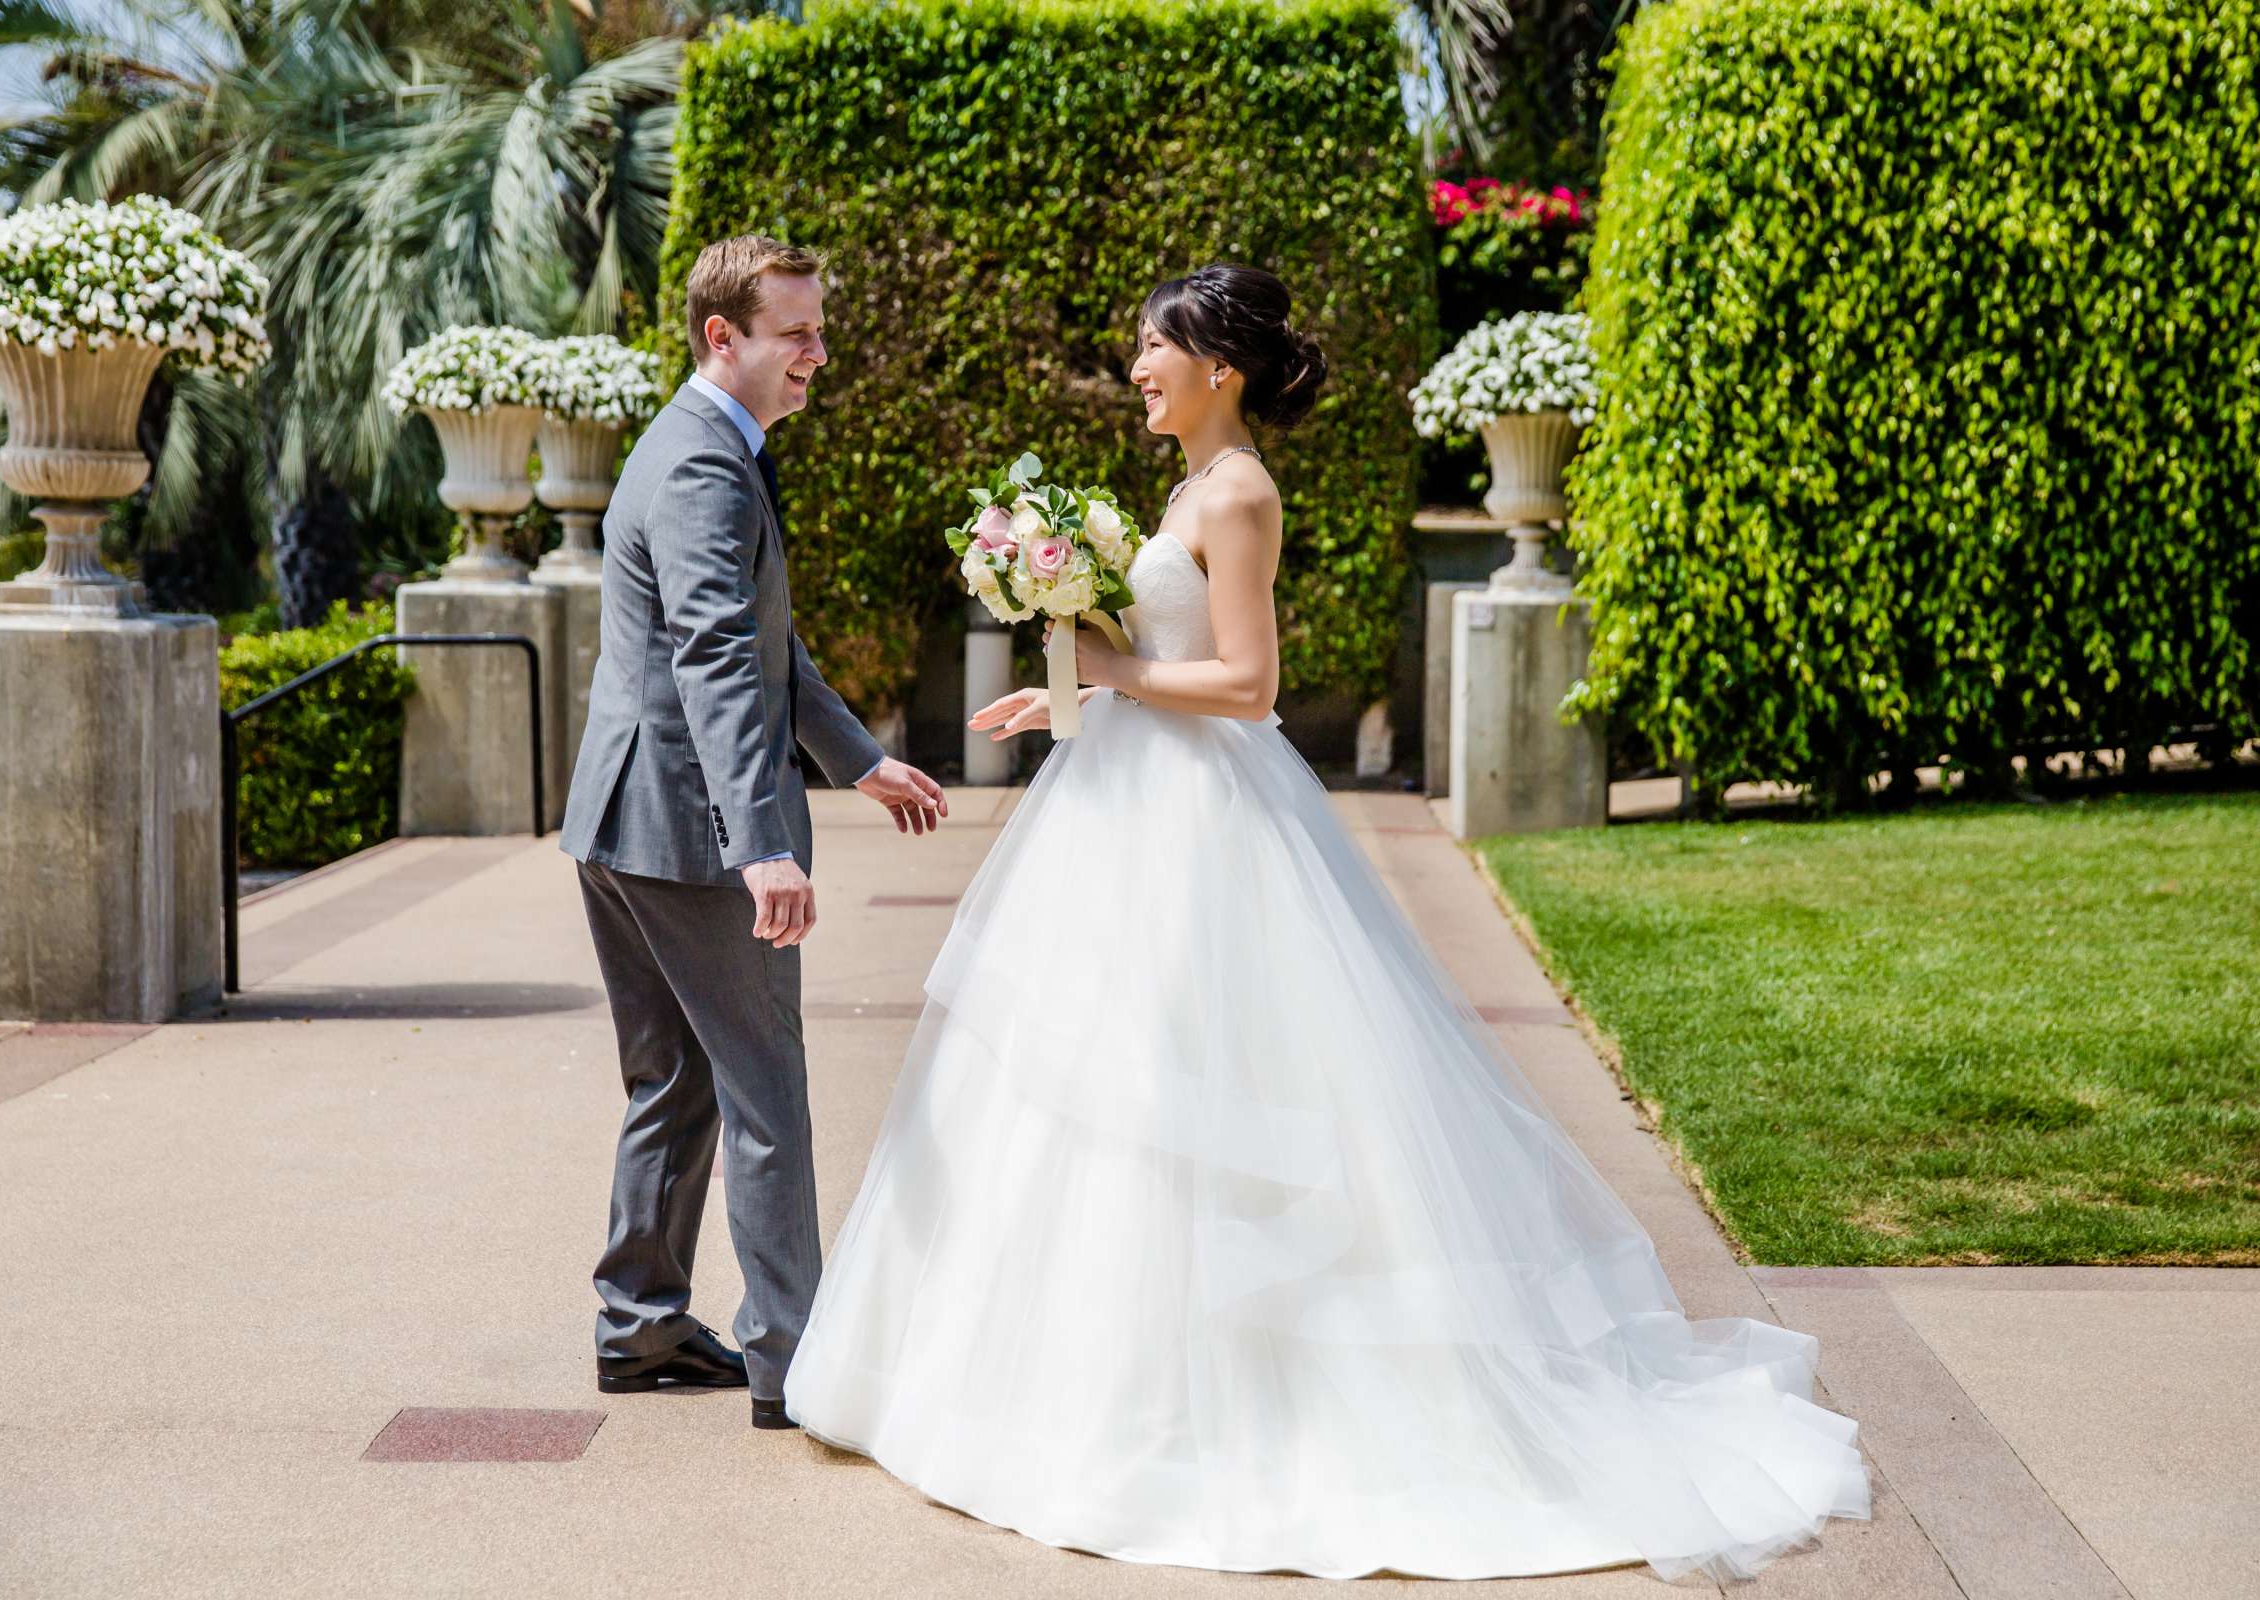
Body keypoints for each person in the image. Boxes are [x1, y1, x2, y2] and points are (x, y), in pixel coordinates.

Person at [780, 263, 1873, 1582]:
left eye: (1153, 348)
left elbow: (1247, 685)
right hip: (1120, 799)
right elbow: (1162, 659)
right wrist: (1067, 687)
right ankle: (1088, 1388)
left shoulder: (1237, 492)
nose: (1136, 367)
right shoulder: (1186, 487)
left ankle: (1222, 1409)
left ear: (1217, 369)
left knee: (1204, 1087)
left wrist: (1116, 668)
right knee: (1098, 1091)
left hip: (1203, 825)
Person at [558, 233, 948, 1432]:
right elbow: (717, 657)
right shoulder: (702, 469)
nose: (817, 354)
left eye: (820, 329)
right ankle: (794, 1363)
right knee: (764, 1086)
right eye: (798, 333)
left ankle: (641, 1325)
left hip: (628, 822)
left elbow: (764, 644)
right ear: (722, 336)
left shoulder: (702, 448)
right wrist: (761, 842)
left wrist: (860, 757)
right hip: (686, 833)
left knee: (675, 1082)